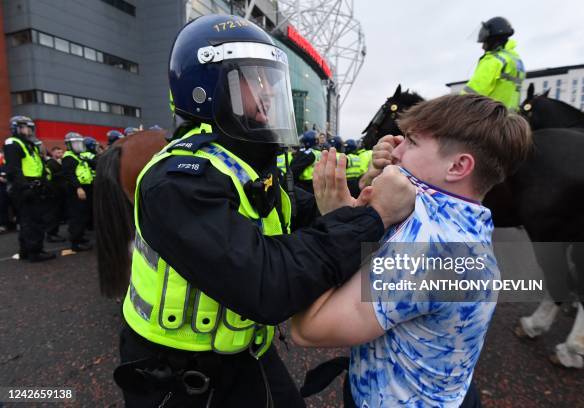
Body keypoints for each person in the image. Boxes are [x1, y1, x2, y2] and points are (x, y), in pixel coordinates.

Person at [112, 14, 414, 408]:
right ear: (205, 91)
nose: (269, 94)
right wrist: (372, 219)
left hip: (244, 352)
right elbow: (268, 283)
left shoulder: (246, 163)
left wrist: (358, 189)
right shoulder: (178, 182)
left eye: (271, 81)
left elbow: (300, 211)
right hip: (179, 376)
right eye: (253, 81)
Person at [291, 94, 532, 407]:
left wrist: (335, 223)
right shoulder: (459, 220)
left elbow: (307, 330)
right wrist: (371, 182)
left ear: (458, 166)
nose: (396, 149)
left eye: (413, 142)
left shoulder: (432, 250)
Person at [3, 116, 56, 261]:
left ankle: (26, 250)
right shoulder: (13, 143)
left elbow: (36, 165)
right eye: (26, 128)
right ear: (17, 128)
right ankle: (35, 252)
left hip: (33, 185)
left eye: (30, 128)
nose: (29, 131)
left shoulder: (28, 144)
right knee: (33, 222)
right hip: (26, 187)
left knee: (28, 220)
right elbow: (13, 169)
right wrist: (27, 186)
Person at [461, 17, 525, 111]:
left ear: (493, 39)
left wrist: (454, 107)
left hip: (489, 118)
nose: (483, 47)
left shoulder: (494, 60)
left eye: (485, 42)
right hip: (510, 118)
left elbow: (472, 93)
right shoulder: (515, 60)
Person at [62, 132, 93, 252]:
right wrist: (78, 188)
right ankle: (76, 243)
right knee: (77, 216)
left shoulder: (79, 156)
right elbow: (69, 175)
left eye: (80, 143)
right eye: (75, 143)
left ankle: (80, 237)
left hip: (85, 188)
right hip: (76, 190)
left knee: (83, 215)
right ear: (69, 145)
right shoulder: (68, 157)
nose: (78, 145)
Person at [44, 146, 67, 242]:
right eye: (58, 153)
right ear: (53, 153)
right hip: (54, 192)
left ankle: (54, 233)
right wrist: (63, 171)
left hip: (60, 192)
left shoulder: (61, 163)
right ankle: (51, 234)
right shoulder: (50, 164)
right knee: (53, 214)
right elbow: (50, 177)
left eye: (61, 153)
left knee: (57, 214)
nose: (60, 155)